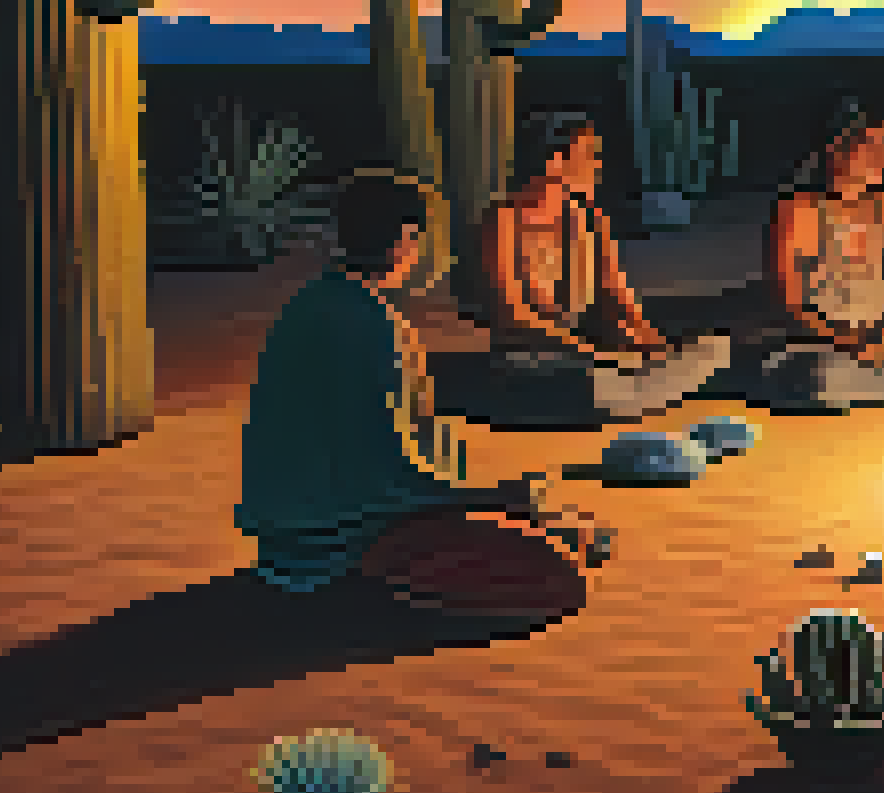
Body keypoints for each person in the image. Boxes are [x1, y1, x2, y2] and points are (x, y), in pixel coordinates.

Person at [235, 168, 613, 613]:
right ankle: (388, 586)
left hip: (293, 537)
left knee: (541, 525)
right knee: (557, 569)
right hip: (343, 540)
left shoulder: (306, 307)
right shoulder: (377, 326)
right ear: (405, 241)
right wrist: (495, 499)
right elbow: (390, 478)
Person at [460, 110, 731, 424]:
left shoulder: (590, 221)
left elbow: (620, 301)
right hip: (531, 358)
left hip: (588, 354)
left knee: (711, 348)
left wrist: (658, 348)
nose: (597, 167)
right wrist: (593, 354)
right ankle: (632, 393)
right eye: (588, 156)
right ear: (554, 162)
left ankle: (644, 387)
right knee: (593, 380)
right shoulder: (504, 222)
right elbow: (512, 317)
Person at [752, 96, 884, 408]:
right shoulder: (798, 211)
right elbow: (789, 301)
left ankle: (872, 386)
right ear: (836, 149)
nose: (881, 158)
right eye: (870, 148)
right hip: (824, 344)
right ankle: (858, 389)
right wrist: (846, 340)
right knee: (824, 375)